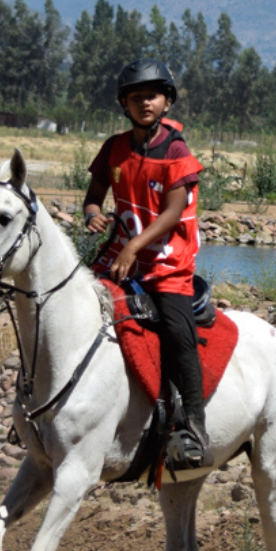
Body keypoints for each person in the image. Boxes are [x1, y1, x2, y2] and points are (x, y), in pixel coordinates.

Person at [83, 58, 213, 470]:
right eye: (136, 97)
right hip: (122, 253)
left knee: (177, 331)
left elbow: (173, 213)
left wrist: (131, 248)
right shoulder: (113, 147)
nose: (145, 103)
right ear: (124, 103)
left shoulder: (176, 151)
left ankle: (194, 427)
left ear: (167, 102)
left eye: (153, 96)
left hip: (165, 261)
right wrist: (91, 215)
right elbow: (94, 194)